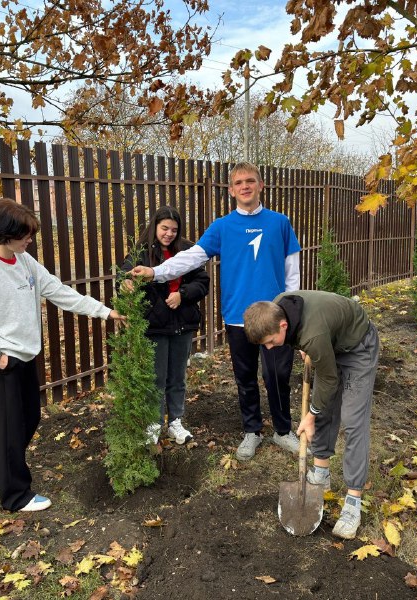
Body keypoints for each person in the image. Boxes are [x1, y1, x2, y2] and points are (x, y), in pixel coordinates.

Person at [0, 198, 124, 512]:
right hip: (1, 362)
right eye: (25, 234)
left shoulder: (24, 261)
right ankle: (16, 495)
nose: (30, 239)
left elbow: (59, 292)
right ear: (4, 235)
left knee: (26, 419)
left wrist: (104, 312)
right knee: (10, 427)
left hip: (24, 356)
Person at [129, 162, 302, 461]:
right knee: (245, 377)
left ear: (261, 186)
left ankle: (282, 430)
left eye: (250, 181)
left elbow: (293, 272)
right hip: (238, 317)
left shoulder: (280, 223)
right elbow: (190, 258)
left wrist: (292, 310)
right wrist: (155, 272)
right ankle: (252, 431)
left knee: (277, 374)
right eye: (238, 183)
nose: (245, 186)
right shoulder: (222, 227)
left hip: (275, 317)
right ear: (232, 190)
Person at [243, 290, 379, 540]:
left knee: (353, 421)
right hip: (328, 340)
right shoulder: (276, 309)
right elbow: (306, 335)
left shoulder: (313, 334)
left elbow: (328, 378)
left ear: (283, 325)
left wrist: (309, 416)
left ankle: (353, 501)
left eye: (271, 341)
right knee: (324, 408)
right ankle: (321, 473)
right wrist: (304, 346)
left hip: (358, 345)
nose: (270, 348)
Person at [120, 206, 210, 445]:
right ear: (155, 227)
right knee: (156, 377)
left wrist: (183, 293)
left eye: (174, 229)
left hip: (183, 323)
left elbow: (202, 282)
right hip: (155, 326)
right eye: (164, 228)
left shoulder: (188, 250)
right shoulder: (140, 253)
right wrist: (126, 285)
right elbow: (125, 276)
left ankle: (175, 422)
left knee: (177, 376)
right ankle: (154, 422)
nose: (169, 234)